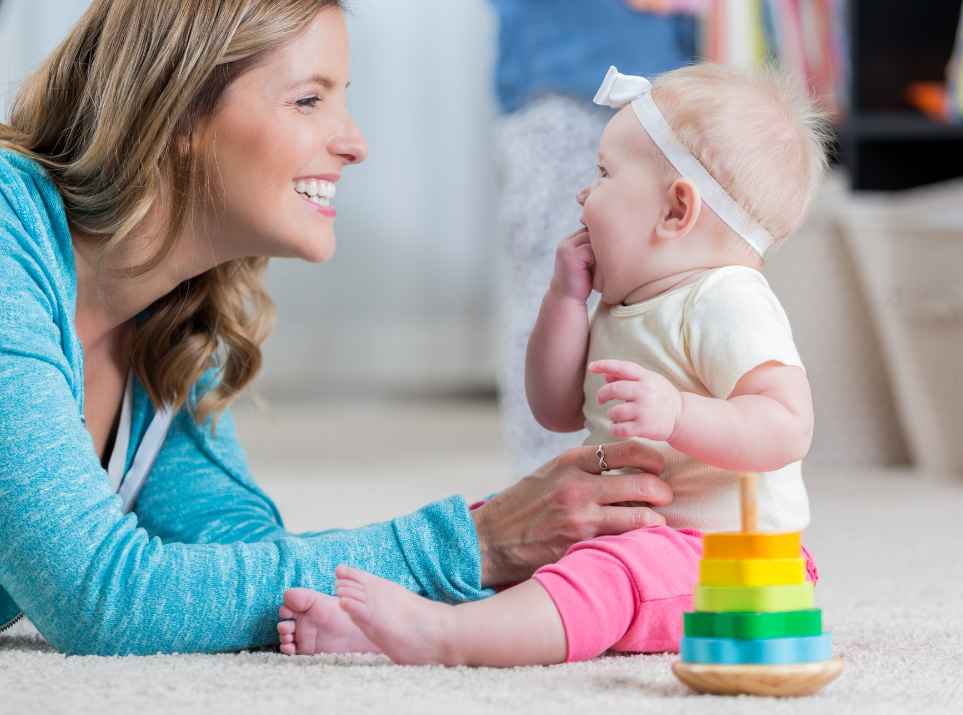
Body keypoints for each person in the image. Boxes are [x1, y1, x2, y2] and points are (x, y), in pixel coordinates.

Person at [0, 0, 674, 654]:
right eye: (310, 99)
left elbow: (236, 563)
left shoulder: (172, 320)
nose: (355, 140)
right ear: (178, 111)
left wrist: (520, 577)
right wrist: (469, 541)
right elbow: (102, 601)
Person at [277, 62, 832, 665]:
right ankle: (373, 629)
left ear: (676, 211)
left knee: (609, 571)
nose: (583, 193)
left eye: (603, 173)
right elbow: (556, 407)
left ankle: (448, 638)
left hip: (733, 562)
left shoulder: (726, 298)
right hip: (633, 530)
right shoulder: (622, 306)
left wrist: (677, 412)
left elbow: (787, 424)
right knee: (517, 528)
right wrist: (564, 301)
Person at [491, 0, 704, 480]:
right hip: (566, 89)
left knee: (663, 294)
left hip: (662, 89)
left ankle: (650, 461)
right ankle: (546, 477)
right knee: (555, 287)